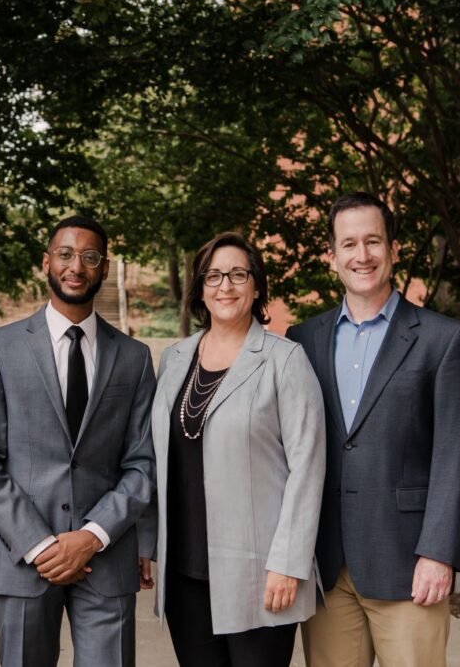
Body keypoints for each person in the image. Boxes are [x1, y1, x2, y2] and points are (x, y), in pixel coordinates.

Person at [287, 192, 460, 667]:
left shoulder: (444, 339)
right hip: (328, 566)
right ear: (332, 257)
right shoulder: (302, 340)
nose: (362, 255)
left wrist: (439, 553)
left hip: (408, 564)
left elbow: (456, 455)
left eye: (373, 241)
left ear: (393, 250)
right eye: (349, 243)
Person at [0, 215, 156, 667]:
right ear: (46, 262)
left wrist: (91, 536)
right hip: (23, 558)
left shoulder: (134, 357)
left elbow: (142, 462)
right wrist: (38, 543)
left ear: (104, 269)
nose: (76, 267)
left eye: (90, 258)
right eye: (66, 255)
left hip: (105, 557)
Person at [145, 232, 326, 667]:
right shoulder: (174, 359)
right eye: (213, 275)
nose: (225, 285)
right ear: (200, 288)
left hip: (260, 574)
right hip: (185, 573)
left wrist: (288, 565)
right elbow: (159, 462)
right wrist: (146, 545)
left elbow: (308, 468)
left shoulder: (285, 360)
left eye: (238, 274)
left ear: (257, 285)